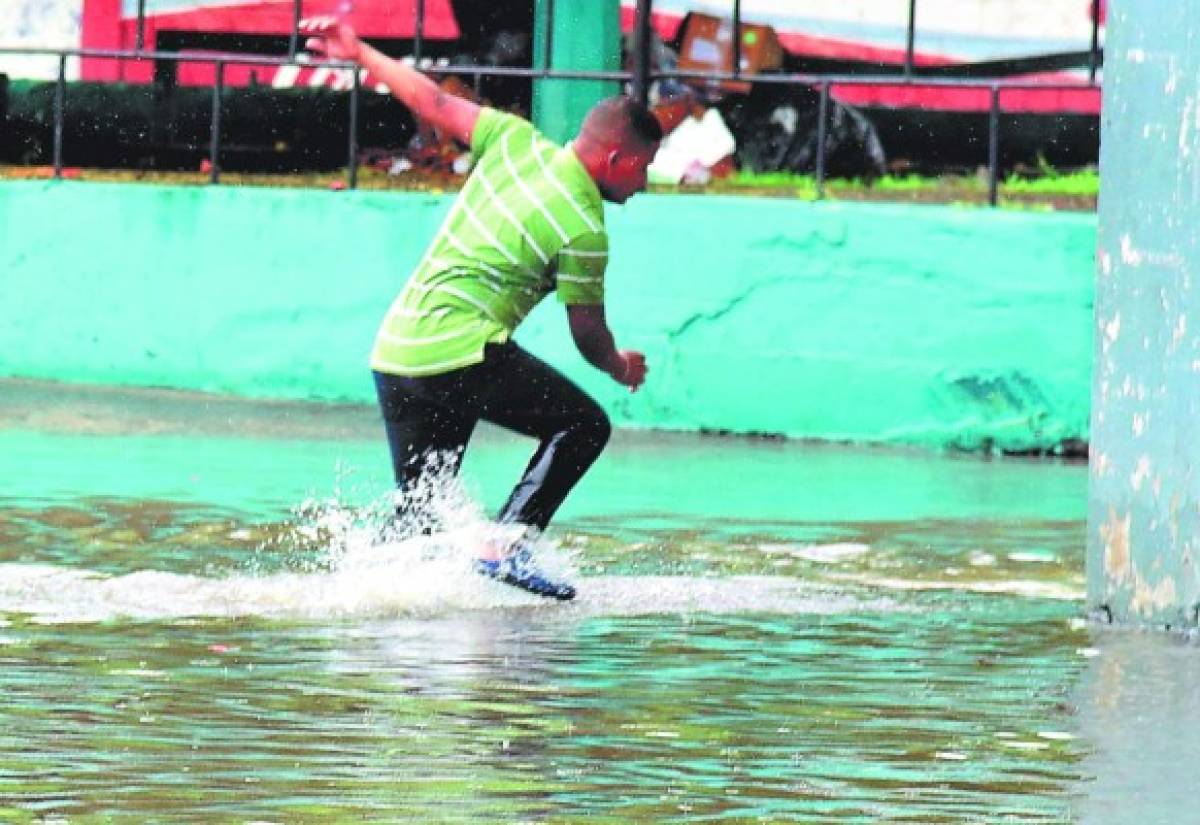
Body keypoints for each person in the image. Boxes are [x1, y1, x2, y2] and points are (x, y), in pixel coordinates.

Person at [302, 18, 662, 600]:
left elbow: (433, 100)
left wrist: (359, 50)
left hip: (398, 352)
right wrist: (622, 366)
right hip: (458, 354)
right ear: (617, 158)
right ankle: (509, 542)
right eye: (644, 167)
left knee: (418, 515)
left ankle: (376, 626)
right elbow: (588, 335)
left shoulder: (515, 141)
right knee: (583, 425)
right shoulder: (584, 227)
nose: (645, 183)